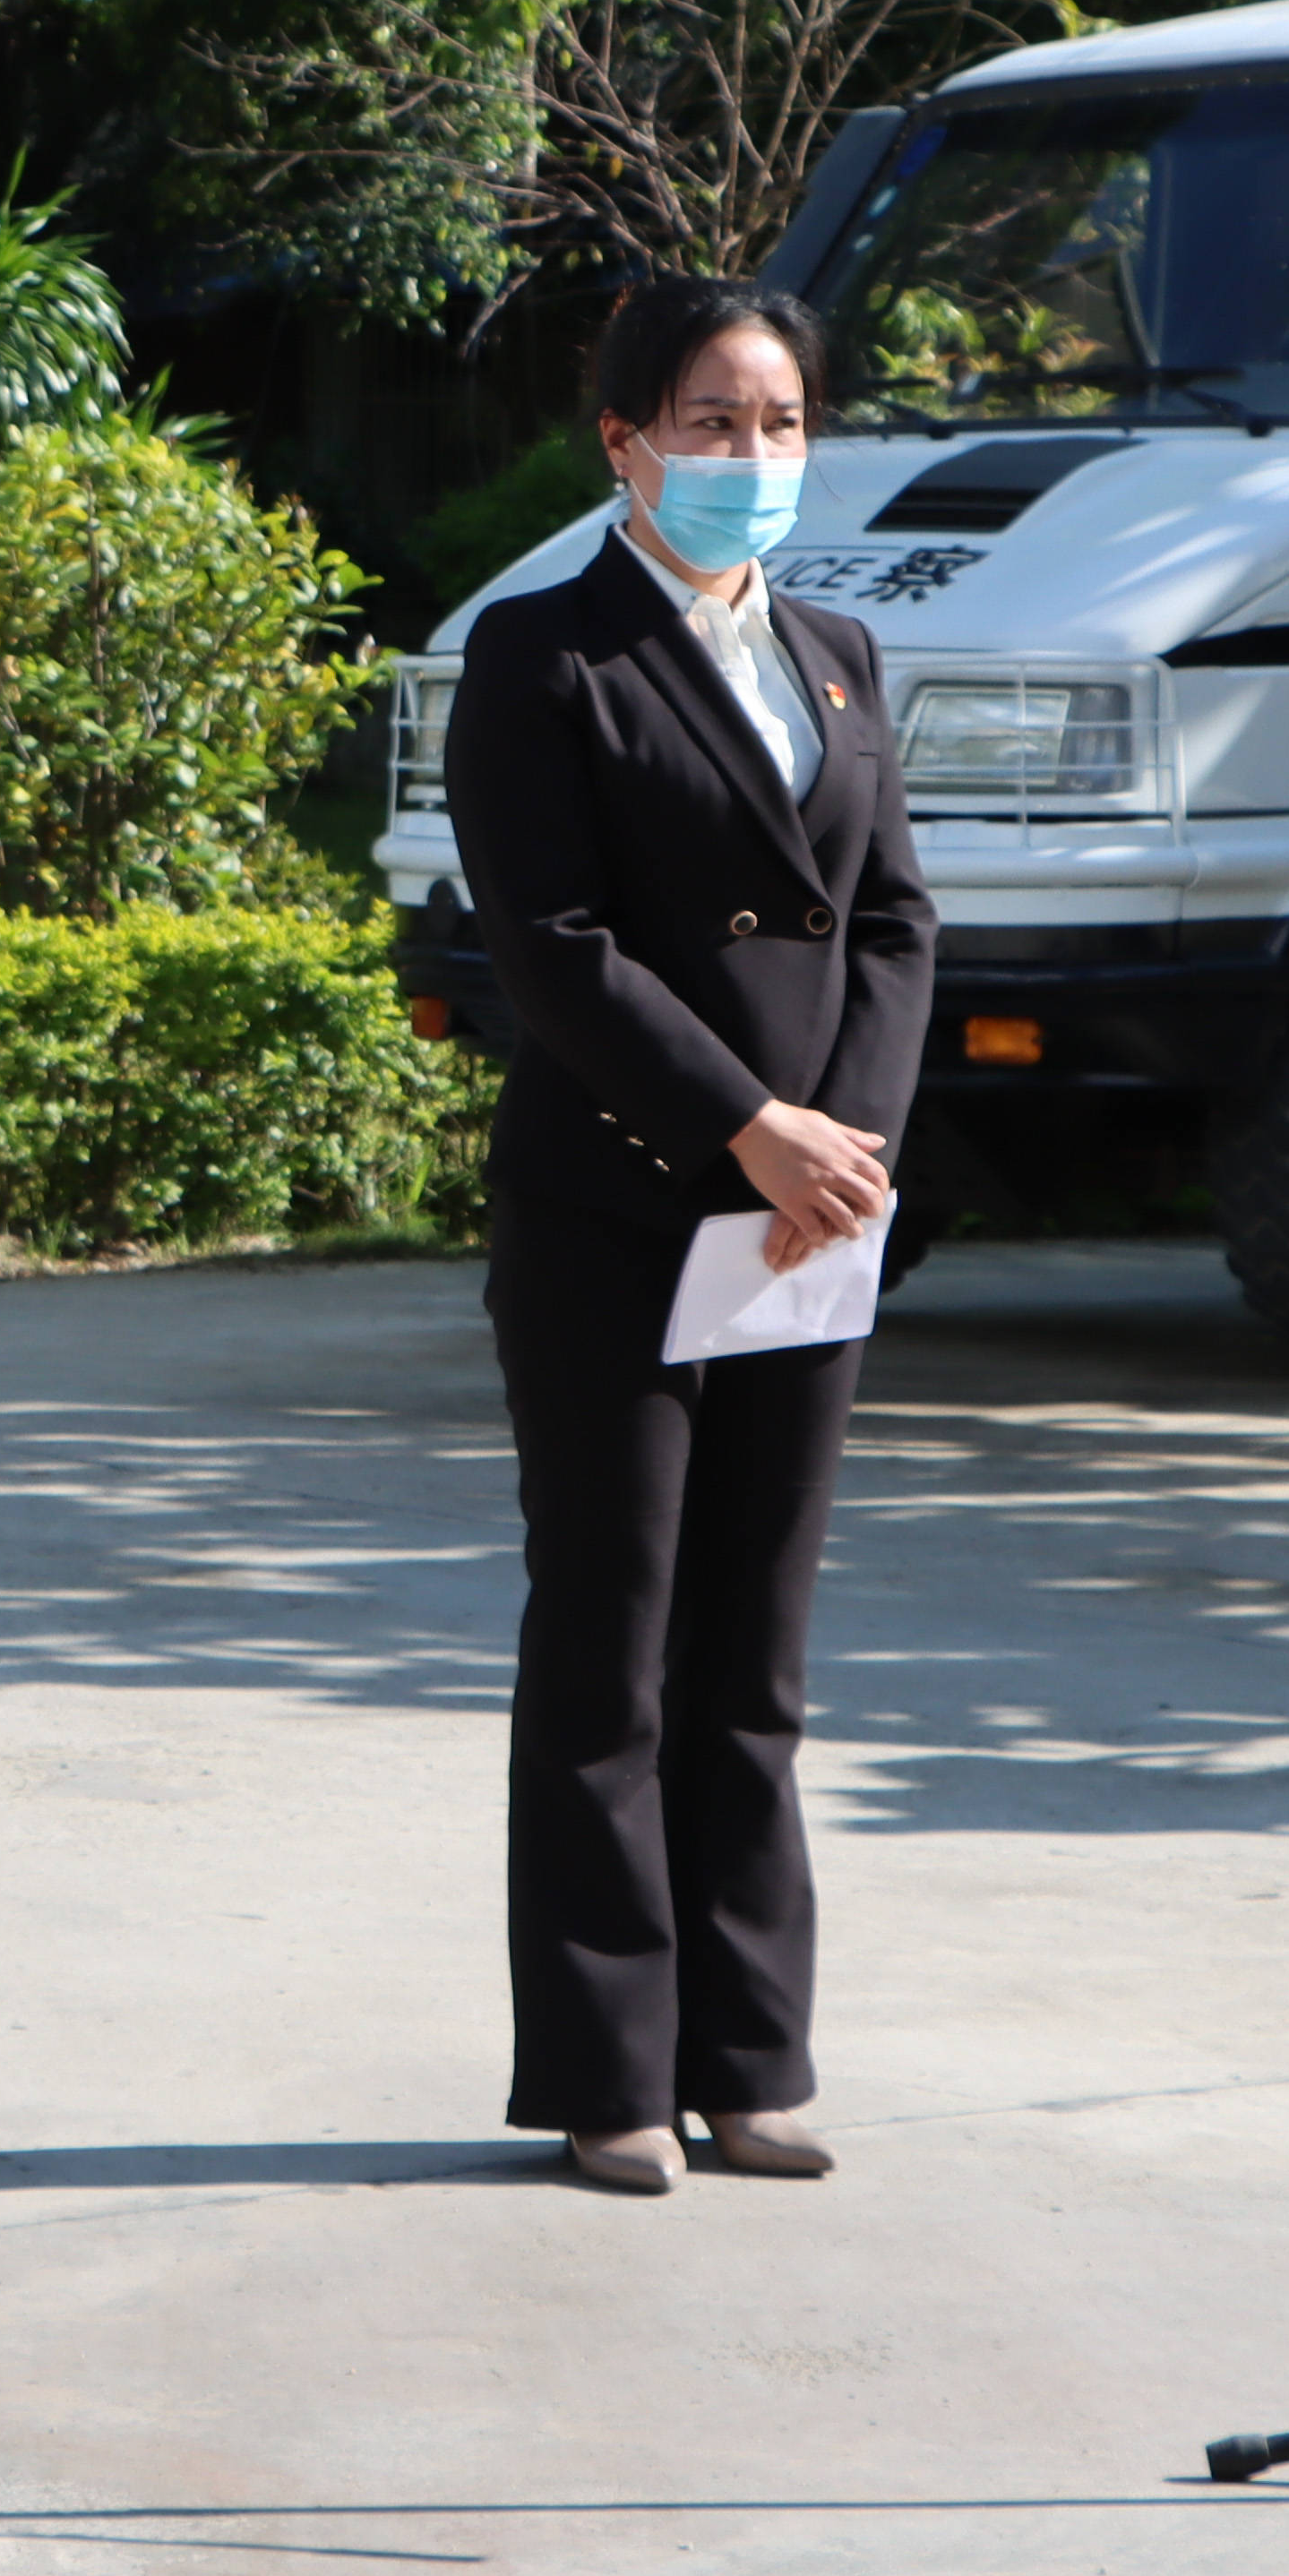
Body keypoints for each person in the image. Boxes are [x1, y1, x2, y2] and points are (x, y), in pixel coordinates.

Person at [440, 270, 932, 2196]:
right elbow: (548, 952)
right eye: (712, 423)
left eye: (781, 425)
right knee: (612, 1644)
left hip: (809, 1229)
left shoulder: (835, 655)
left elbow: (891, 921)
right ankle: (606, 2067)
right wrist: (748, 1127)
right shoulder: (540, 656)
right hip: (623, 1211)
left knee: (758, 1648)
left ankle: (753, 2049)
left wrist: (850, 1149)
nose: (750, 458)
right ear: (624, 440)